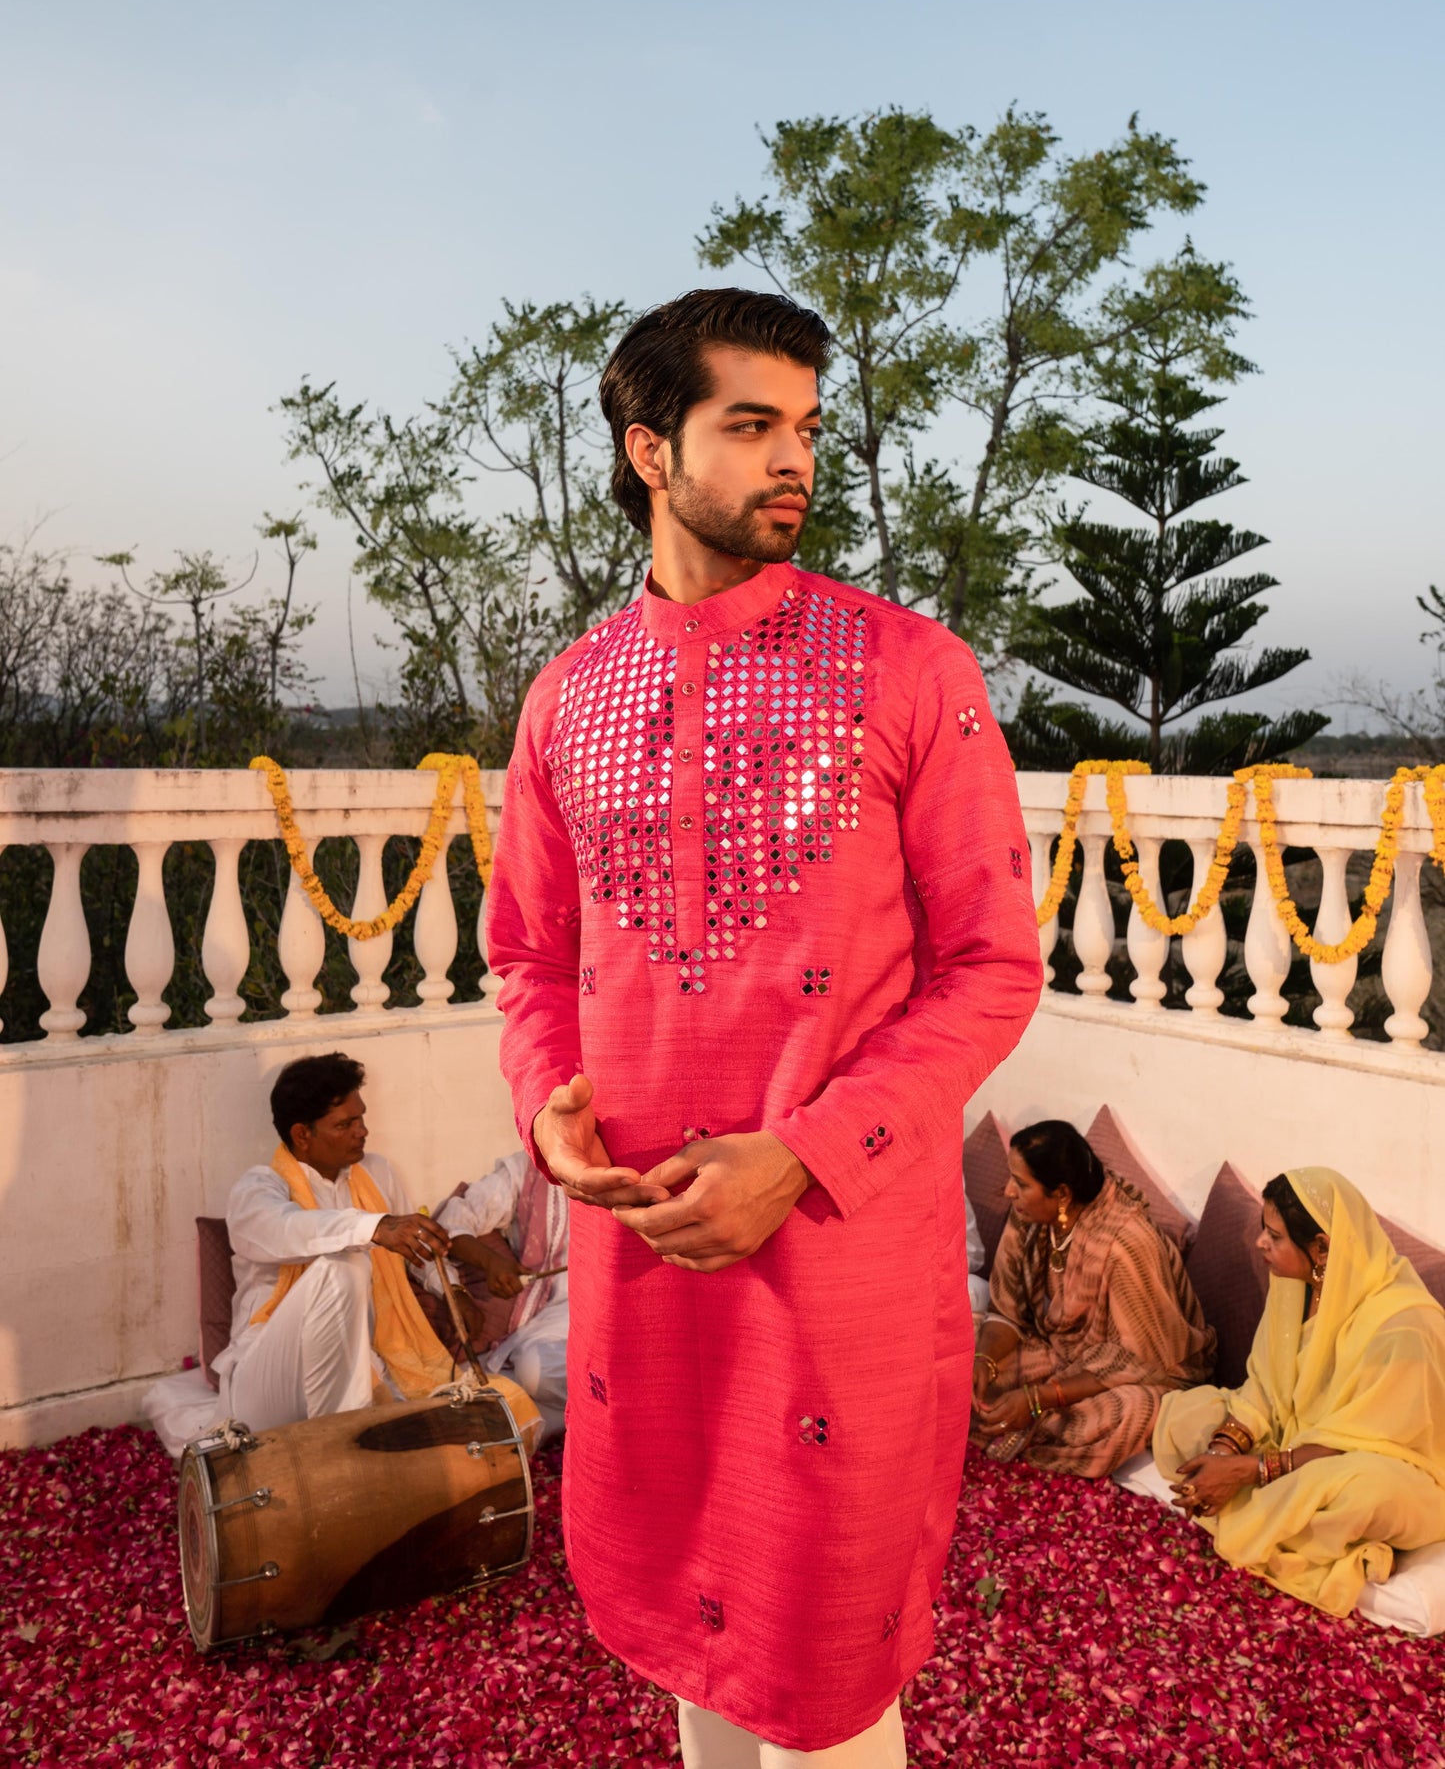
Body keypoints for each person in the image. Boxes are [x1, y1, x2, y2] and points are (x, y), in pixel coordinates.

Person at [487, 286, 1043, 1768]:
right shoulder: (565, 699)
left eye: (805, 425)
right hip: (644, 1260)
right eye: (752, 425)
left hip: (833, 1258)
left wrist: (796, 1157)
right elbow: (528, 957)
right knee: (695, 1654)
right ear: (650, 449)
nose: (796, 457)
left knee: (825, 1681)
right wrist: (550, 1100)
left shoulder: (913, 671)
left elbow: (991, 967)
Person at [1154, 1167, 1445, 1616]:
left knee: (1357, 1492)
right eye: (1262, 1231)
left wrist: (1248, 1471)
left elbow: (1369, 1445)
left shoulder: (1405, 1325)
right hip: (1292, 1441)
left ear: (1322, 1246)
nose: (1260, 1245)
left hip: (1381, 1467)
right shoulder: (1294, 1285)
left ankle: (1255, 1501)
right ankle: (1253, 1498)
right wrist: (1222, 1451)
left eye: (1275, 1236)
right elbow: (1266, 1390)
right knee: (1183, 1413)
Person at [215, 1052, 456, 1430]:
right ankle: (347, 1438)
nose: (362, 1131)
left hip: (370, 1363)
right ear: (302, 1135)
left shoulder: (376, 1172)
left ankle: (349, 1432)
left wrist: (453, 1291)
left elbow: (416, 1251)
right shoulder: (259, 1189)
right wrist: (374, 1228)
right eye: (345, 1124)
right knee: (345, 1266)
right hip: (268, 1383)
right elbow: (285, 1229)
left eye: (361, 1118)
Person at [972, 1120, 1214, 1477]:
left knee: (1128, 1411)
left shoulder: (1126, 1244)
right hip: (1062, 1354)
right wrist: (983, 1360)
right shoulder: (1029, 1214)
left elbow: (1140, 1360)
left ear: (1063, 1195)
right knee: (956, 1358)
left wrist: (1038, 1399)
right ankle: (1023, 1423)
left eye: (1021, 1184)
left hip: (1146, 1373)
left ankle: (1032, 1430)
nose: (1008, 1191)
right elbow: (1007, 1312)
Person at [413, 1150, 570, 1441]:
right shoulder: (528, 1167)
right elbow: (452, 1222)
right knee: (472, 1386)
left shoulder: (634, 1168)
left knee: (536, 1371)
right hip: (535, 1316)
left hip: (610, 1314)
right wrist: (491, 1263)